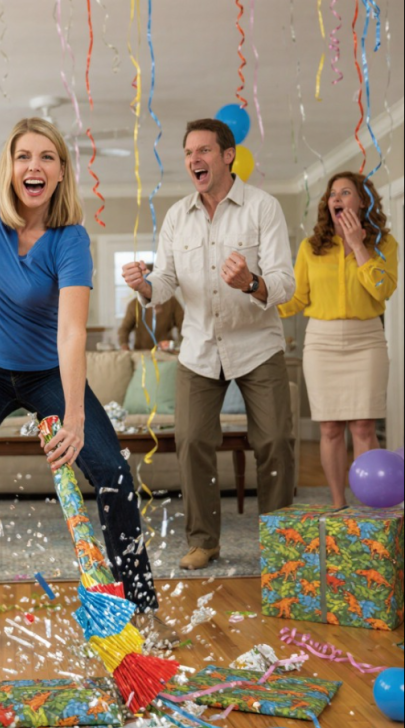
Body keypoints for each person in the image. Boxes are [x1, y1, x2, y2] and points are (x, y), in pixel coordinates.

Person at [0, 0, 177, 656]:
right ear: (12, 163)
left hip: (48, 371)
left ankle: (142, 607)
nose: (33, 165)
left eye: (47, 156)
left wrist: (73, 417)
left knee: (113, 472)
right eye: (24, 154)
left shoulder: (70, 239)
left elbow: (73, 333)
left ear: (59, 171)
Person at [123, 118, 296, 571]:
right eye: (188, 153)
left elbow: (284, 283)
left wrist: (250, 281)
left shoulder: (263, 207)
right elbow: (164, 283)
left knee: (275, 440)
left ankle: (279, 546)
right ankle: (204, 540)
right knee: (193, 440)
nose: (193, 160)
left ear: (227, 155)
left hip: (258, 345)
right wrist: (143, 284)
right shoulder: (178, 216)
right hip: (199, 349)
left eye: (203, 150)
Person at [279, 172, 398, 508]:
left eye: (345, 192)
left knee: (363, 426)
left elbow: (383, 290)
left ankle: (369, 505)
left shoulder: (384, 244)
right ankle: (337, 504)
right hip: (322, 342)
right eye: (333, 193)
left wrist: (359, 245)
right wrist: (258, 297)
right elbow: (296, 299)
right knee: (330, 427)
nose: (337, 198)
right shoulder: (310, 247)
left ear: (362, 200)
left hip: (367, 340)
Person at [118, 294, 184, 351]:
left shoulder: (171, 302)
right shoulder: (134, 305)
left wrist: (181, 345)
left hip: (166, 352)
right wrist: (124, 344)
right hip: (143, 353)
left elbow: (183, 326)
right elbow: (124, 329)